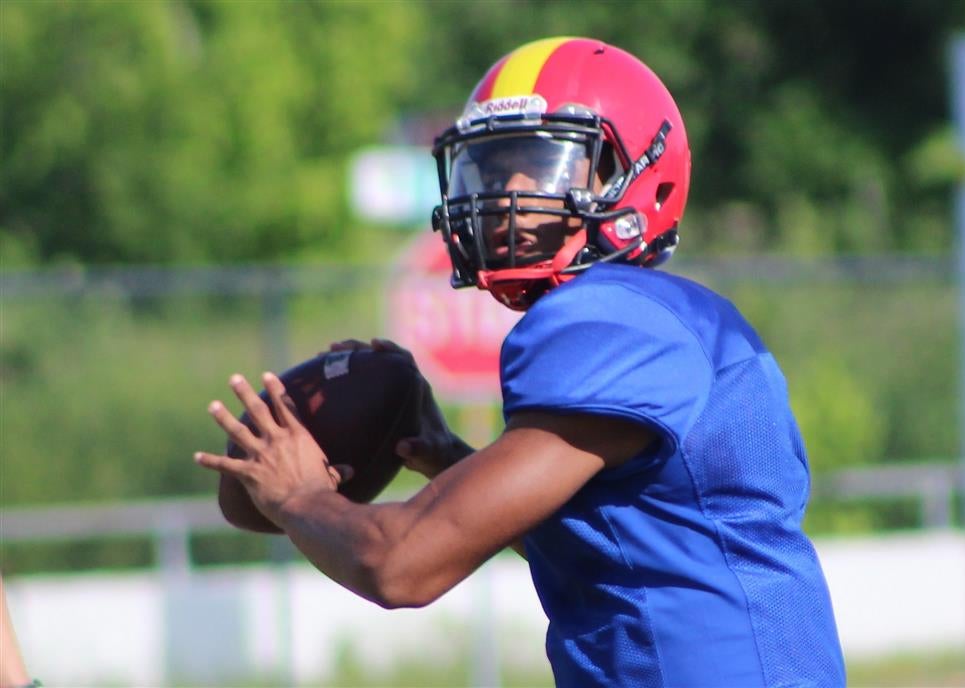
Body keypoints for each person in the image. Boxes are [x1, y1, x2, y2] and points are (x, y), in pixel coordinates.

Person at [196, 36, 845, 687]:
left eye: (540, 163)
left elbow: (401, 566)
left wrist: (299, 494)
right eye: (492, 167)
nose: (506, 190)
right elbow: (615, 552)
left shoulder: (606, 317)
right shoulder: (670, 320)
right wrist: (449, 459)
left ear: (633, 171)